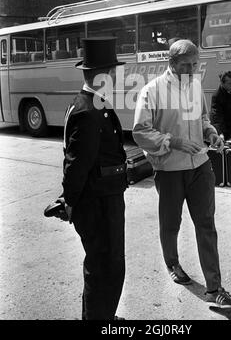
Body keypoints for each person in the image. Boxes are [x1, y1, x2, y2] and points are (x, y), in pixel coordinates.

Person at [132, 39, 231, 309]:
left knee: (206, 225)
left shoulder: (194, 85)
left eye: (195, 64)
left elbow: (202, 119)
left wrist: (211, 133)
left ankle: (214, 289)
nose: (192, 70)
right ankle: (172, 262)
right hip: (169, 170)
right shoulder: (152, 91)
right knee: (171, 223)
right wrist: (174, 141)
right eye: (186, 65)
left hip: (200, 166)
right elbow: (140, 132)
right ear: (171, 63)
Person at [60, 37, 128, 320]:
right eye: (112, 72)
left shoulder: (92, 102)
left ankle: (101, 317)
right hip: (98, 203)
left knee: (104, 267)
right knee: (106, 268)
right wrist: (70, 201)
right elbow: (78, 163)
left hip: (104, 197)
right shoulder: (89, 111)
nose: (115, 77)